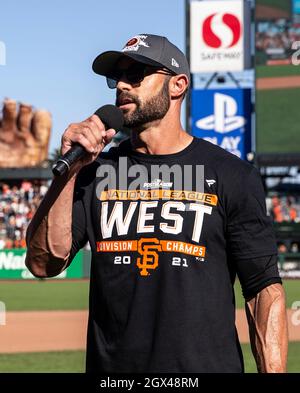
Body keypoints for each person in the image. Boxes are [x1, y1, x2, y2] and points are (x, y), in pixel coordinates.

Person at [25, 34, 288, 373]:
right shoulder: (93, 173)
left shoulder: (231, 175)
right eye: (116, 77)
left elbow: (263, 290)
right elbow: (43, 264)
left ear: (177, 85)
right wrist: (69, 172)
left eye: (136, 74)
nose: (121, 84)